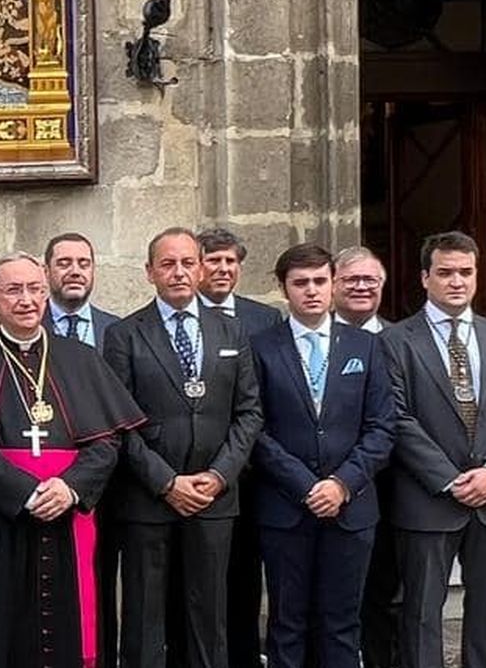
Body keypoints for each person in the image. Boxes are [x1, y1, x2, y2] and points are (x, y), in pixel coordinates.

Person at [0, 252, 144, 668]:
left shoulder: (80, 359)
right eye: (14, 290)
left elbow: (107, 442)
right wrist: (24, 493)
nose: (27, 299)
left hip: (70, 515)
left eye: (35, 289)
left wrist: (70, 487)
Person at [100, 228, 262, 668]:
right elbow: (119, 424)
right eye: (168, 264)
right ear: (150, 272)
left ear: (201, 268)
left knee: (208, 616)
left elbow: (249, 414)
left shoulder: (231, 331)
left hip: (214, 499)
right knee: (144, 617)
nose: (179, 273)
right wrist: (165, 481)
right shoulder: (124, 335)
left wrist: (218, 476)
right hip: (147, 500)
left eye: (188, 263)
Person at [382, 232, 486, 668]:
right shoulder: (395, 341)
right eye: (446, 272)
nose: (457, 281)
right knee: (420, 613)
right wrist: (450, 480)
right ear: (424, 278)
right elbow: (396, 419)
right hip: (427, 500)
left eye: (465, 272)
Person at [248, 244, 394, 668]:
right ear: (283, 288)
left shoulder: (365, 347)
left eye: (319, 281)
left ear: (332, 284)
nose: (311, 291)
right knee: (287, 624)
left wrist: (341, 483)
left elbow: (383, 426)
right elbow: (254, 427)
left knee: (342, 624)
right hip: (285, 509)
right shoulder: (260, 347)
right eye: (300, 283)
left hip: (351, 511)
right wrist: (306, 485)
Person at [194, 226, 282, 668]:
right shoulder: (178, 318)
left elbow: (269, 398)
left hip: (251, 474)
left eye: (231, 261)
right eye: (213, 260)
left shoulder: (264, 320)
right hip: (197, 473)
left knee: (246, 577)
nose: (223, 269)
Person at [332, 246, 400, 668]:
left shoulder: (401, 339)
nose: (361, 287)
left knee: (385, 594)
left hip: (390, 489)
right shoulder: (303, 336)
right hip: (324, 489)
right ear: (334, 283)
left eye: (370, 280)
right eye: (351, 279)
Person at [42, 232, 120, 347]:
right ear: (46, 272)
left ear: (93, 270)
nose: (75, 272)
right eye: (64, 264)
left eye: (84, 265)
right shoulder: (28, 323)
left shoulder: (115, 327)